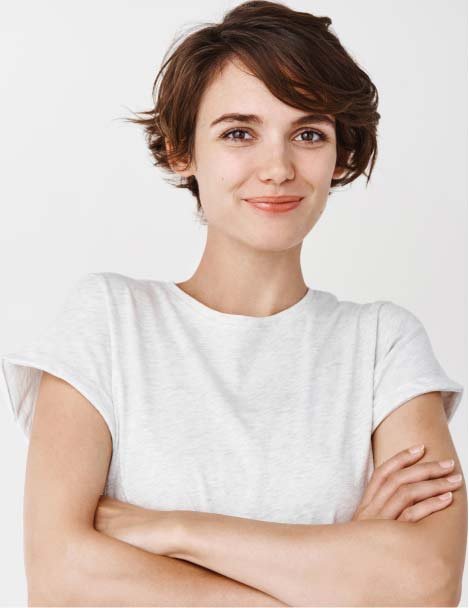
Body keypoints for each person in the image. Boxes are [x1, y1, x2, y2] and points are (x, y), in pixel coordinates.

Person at [1, 1, 465, 604]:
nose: (277, 168)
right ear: (182, 150)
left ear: (340, 155)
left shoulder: (383, 345)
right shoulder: (109, 322)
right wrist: (341, 571)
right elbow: (60, 580)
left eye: (308, 134)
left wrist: (174, 530)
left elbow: (426, 583)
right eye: (239, 133)